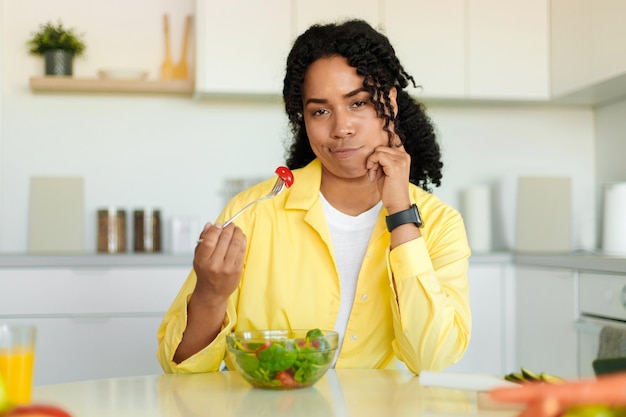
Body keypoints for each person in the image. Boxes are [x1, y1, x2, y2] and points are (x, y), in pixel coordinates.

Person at [157, 19, 471, 375]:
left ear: (391, 102)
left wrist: (400, 212)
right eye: (320, 111)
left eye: (359, 103)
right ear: (302, 119)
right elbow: (182, 371)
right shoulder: (255, 213)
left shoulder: (440, 223)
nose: (341, 128)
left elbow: (431, 358)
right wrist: (211, 296)